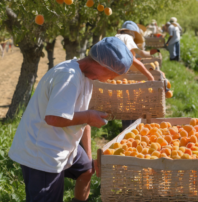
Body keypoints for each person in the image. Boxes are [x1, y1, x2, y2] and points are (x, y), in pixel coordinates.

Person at [9, 37, 133, 202]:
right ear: (102, 65)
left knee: (86, 170)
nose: (111, 80)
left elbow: (84, 118)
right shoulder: (69, 77)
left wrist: (88, 158)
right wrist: (89, 116)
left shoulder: (87, 77)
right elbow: (54, 118)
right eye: (111, 75)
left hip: (64, 145)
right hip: (43, 152)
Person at [115, 21, 160, 130]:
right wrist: (149, 75)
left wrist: (151, 53)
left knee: (124, 100)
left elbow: (138, 54)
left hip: (115, 73)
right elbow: (133, 58)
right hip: (125, 73)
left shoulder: (116, 37)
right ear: (132, 32)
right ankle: (131, 129)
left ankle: (127, 128)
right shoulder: (128, 38)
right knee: (132, 100)